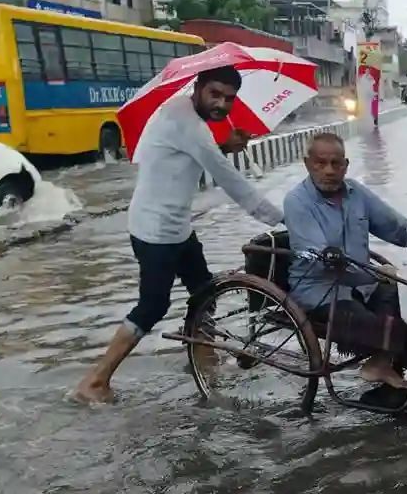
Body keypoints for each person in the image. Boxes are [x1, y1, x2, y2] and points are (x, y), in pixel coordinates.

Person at [74, 66, 284, 404]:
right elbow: (231, 182)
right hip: (155, 231)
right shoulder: (188, 124)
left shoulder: (187, 118)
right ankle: (95, 381)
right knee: (152, 306)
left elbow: (192, 152)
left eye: (229, 99)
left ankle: (204, 357)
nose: (221, 104)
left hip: (178, 228)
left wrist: (221, 145)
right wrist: (280, 218)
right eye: (214, 94)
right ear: (198, 87)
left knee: (205, 291)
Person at [283, 133, 407, 389]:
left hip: (363, 283)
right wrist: (376, 271)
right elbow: (322, 256)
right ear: (307, 164)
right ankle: (379, 363)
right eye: (320, 163)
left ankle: (395, 363)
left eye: (336, 163)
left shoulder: (356, 194)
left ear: (346, 165)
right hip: (320, 289)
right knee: (372, 322)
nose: (329, 170)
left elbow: (401, 229)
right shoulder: (297, 202)